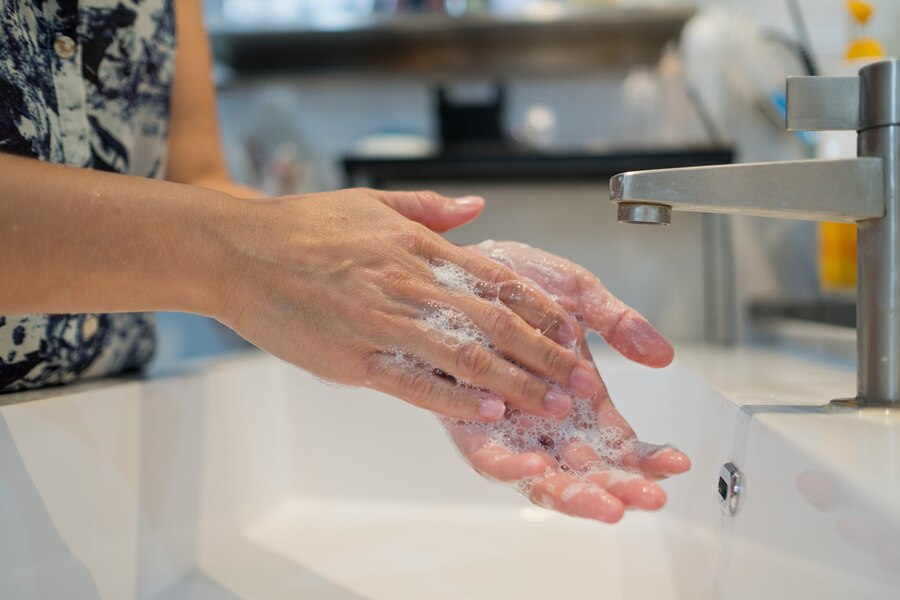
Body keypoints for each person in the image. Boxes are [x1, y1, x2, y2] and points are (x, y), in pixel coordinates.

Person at [0, 0, 688, 522]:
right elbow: (224, 240)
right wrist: (249, 260)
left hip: (117, 440)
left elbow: (194, 181)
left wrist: (419, 284)